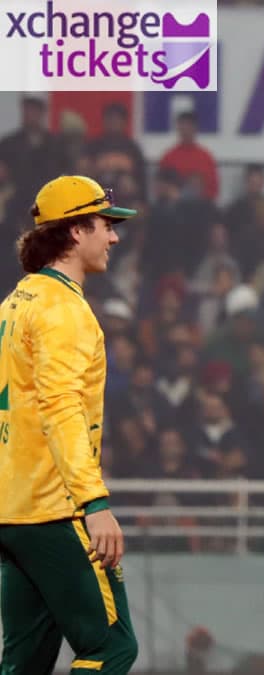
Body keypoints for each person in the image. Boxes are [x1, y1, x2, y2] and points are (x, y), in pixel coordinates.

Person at [0, 175, 139, 673]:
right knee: (111, 647)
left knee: (24, 663)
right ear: (76, 231)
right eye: (106, 225)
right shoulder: (64, 310)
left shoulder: (16, 302)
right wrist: (93, 503)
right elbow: (62, 409)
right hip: (55, 509)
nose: (114, 237)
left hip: (12, 511)